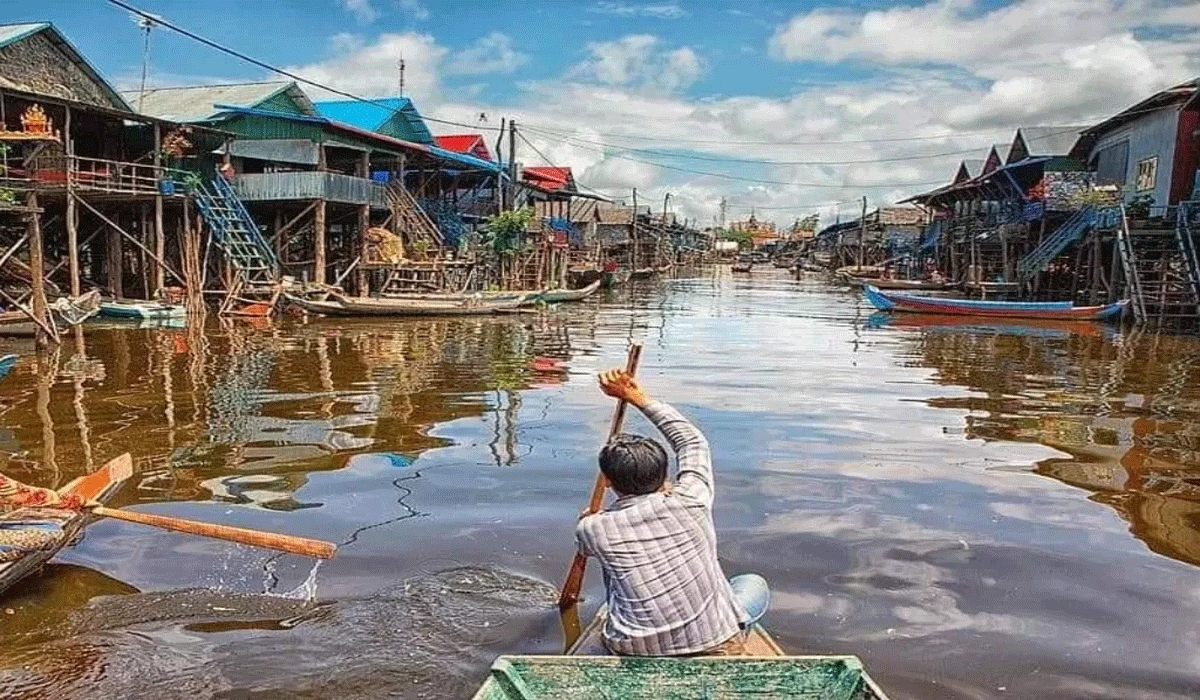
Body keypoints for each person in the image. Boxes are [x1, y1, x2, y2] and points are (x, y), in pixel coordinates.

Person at [574, 368, 769, 656]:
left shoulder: (592, 529)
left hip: (633, 647)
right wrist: (635, 396)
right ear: (665, 476)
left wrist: (591, 518)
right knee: (753, 585)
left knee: (613, 573)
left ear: (609, 482)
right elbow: (692, 442)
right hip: (711, 637)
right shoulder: (692, 499)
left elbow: (588, 541)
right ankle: (729, 644)